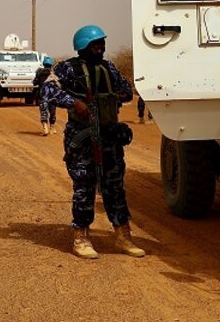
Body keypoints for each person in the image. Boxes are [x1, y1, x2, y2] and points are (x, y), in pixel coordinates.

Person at [41, 24, 145, 260]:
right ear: (83, 47)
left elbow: (127, 90)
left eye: (102, 44)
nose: (100, 49)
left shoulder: (108, 68)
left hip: (109, 137)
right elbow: (48, 91)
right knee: (84, 187)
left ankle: (123, 236)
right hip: (83, 139)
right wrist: (73, 102)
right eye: (95, 45)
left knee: (115, 187)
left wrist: (115, 96)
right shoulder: (67, 68)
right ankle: (81, 237)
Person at [33, 56, 57, 136]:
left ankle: (45, 128)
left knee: (43, 112)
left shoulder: (39, 72)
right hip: (53, 95)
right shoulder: (54, 73)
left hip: (43, 95)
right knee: (52, 112)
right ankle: (52, 128)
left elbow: (34, 82)